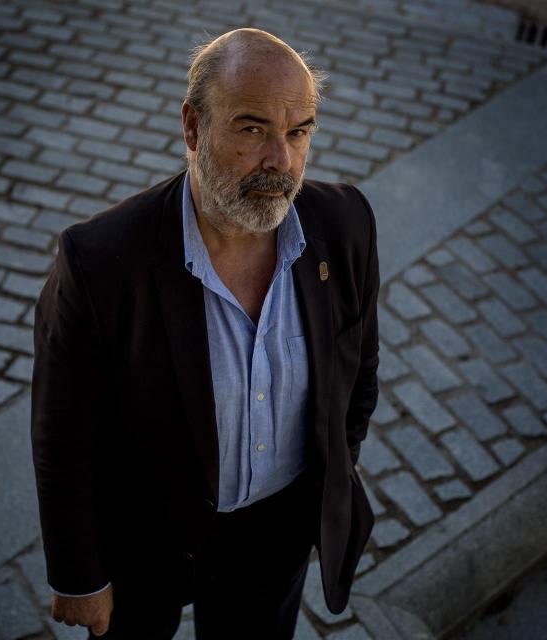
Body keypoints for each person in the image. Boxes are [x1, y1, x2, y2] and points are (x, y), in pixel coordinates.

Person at [30, 27, 379, 639]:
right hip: (148, 539)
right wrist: (79, 575)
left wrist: (331, 477)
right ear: (193, 129)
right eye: (252, 129)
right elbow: (64, 431)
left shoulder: (344, 224)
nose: (281, 160)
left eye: (298, 132)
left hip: (278, 532)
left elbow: (358, 373)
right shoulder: (99, 260)